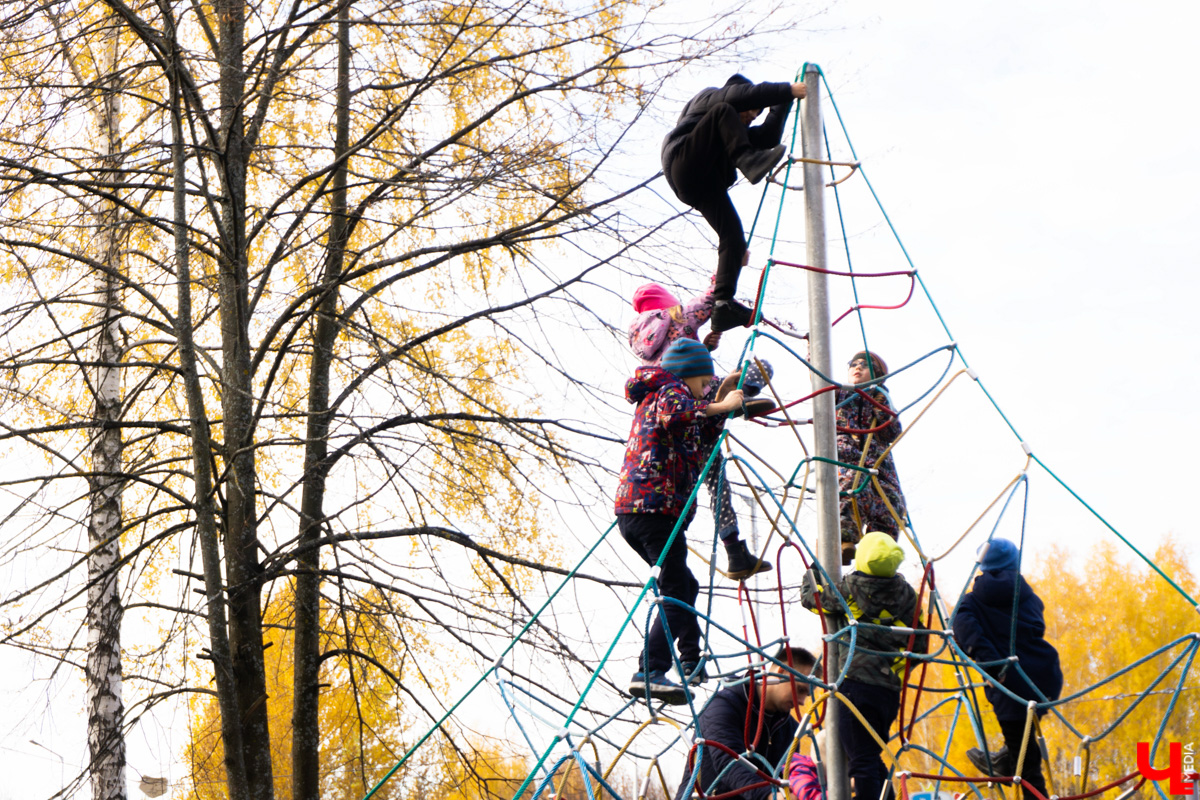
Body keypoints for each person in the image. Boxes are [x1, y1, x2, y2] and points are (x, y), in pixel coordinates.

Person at [616, 337, 746, 703]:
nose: (706, 389)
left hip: (642, 513)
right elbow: (678, 414)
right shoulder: (668, 388)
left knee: (684, 585)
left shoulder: (675, 396)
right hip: (652, 510)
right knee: (676, 589)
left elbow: (697, 431)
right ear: (688, 373)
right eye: (704, 382)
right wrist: (721, 403)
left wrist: (726, 408)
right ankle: (649, 669)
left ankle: (690, 659)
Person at [628, 279, 774, 580]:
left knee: (713, 473)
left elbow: (674, 359)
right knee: (763, 367)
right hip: (693, 400)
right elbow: (710, 300)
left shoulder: (645, 342)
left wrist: (703, 346)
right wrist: (726, 274)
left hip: (677, 424)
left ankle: (734, 550)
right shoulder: (673, 316)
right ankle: (739, 397)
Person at [661, 75, 808, 333]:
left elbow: (766, 137)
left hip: (704, 184)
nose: (752, 116)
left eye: (757, 113)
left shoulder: (731, 129)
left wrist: (781, 104)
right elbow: (736, 98)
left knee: (733, 237)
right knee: (724, 111)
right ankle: (747, 160)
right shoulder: (710, 99)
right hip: (684, 163)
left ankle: (723, 306)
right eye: (751, 109)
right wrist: (786, 89)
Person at [800, 532, 928, 800]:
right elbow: (920, 643)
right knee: (869, 755)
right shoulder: (907, 595)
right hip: (888, 691)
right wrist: (895, 667)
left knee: (862, 759)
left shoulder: (851, 588)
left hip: (855, 684)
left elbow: (812, 599)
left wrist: (814, 566)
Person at [953, 538, 1063, 800]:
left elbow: (966, 631)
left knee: (1027, 766)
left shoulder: (971, 602)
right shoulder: (1028, 596)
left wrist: (995, 669)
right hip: (1043, 677)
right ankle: (1006, 757)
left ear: (982, 566)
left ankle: (1012, 761)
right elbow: (1036, 626)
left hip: (1009, 685)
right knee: (1024, 743)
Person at [674, 646, 817, 800]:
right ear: (780, 673)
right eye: (800, 690)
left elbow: (790, 776)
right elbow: (729, 764)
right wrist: (769, 795)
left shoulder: (791, 729)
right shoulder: (723, 706)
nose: (802, 702)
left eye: (807, 694)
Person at [837, 352, 907, 566]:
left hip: (878, 464)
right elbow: (816, 384)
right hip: (850, 457)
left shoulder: (881, 397)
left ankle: (879, 554)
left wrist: (880, 404)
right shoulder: (839, 393)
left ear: (877, 375)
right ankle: (845, 539)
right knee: (853, 489)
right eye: (853, 364)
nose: (857, 367)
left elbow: (892, 433)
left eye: (865, 365)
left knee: (893, 503)